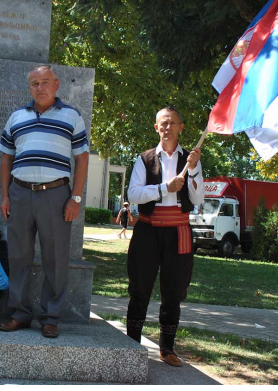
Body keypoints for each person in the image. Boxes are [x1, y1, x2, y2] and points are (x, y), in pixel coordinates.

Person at [0, 65, 89, 339]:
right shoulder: (16, 117)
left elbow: (82, 158)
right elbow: (6, 158)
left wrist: (76, 197)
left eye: (45, 82)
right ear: (30, 87)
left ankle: (51, 318)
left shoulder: (72, 116)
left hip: (56, 195)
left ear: (56, 84)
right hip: (20, 193)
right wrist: (5, 195)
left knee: (56, 258)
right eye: (35, 83)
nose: (40, 87)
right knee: (18, 255)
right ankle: (19, 313)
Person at [125, 107, 203, 367]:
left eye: (172, 123)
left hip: (178, 231)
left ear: (181, 127)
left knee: (173, 290)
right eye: (163, 123)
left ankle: (167, 348)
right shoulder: (145, 159)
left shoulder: (192, 159)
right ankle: (131, 345)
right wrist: (163, 189)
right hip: (148, 230)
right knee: (140, 288)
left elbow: (198, 199)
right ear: (156, 128)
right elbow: (133, 195)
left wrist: (192, 171)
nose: (167, 127)